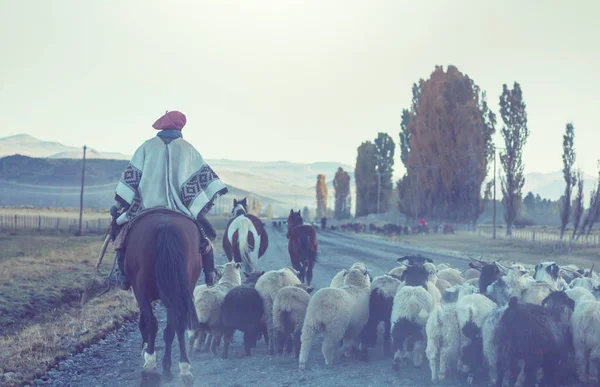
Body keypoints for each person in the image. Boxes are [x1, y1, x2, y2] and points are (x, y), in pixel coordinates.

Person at [109, 110, 228, 290]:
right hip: (182, 207)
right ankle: (210, 272)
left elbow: (130, 179)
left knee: (120, 231)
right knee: (206, 235)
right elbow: (204, 177)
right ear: (180, 127)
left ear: (162, 125)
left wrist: (118, 205)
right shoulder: (188, 148)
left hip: (144, 206)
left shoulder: (146, 146)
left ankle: (123, 274)